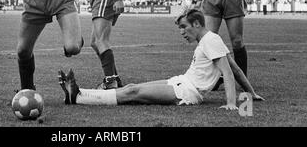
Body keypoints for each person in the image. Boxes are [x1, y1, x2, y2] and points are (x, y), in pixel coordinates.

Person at [58, 9, 264, 109]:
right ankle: (79, 93)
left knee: (132, 92)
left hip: (187, 91)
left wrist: (231, 103)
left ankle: (78, 96)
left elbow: (228, 72)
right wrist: (251, 93)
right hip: (181, 81)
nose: (182, 32)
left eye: (184, 27)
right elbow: (236, 69)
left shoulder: (210, 40)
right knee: (132, 87)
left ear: (198, 24)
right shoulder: (210, 40)